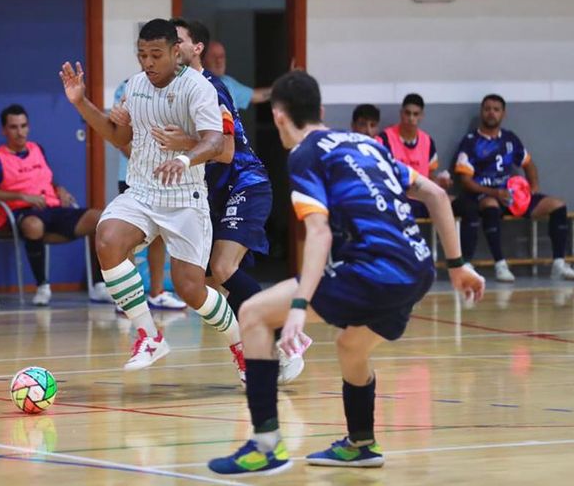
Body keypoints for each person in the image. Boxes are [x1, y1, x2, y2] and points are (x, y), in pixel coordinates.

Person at [208, 71, 485, 474]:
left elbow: (318, 232)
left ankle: (265, 447)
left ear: (279, 116)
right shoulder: (365, 143)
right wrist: (457, 266)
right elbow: (436, 194)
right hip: (417, 270)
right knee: (351, 345)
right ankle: (361, 443)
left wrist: (298, 307)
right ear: (320, 110)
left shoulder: (304, 155)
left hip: (373, 270)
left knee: (252, 313)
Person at [60, 19, 244, 380]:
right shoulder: (135, 86)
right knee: (107, 239)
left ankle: (242, 349)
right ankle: (148, 336)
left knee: (191, 289)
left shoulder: (199, 88)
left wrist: (184, 159)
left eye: (155, 54)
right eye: (142, 54)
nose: (148, 62)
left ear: (176, 52)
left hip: (185, 196)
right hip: (142, 191)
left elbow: (216, 142)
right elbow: (118, 136)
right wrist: (81, 102)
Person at [158, 17, 307, 384]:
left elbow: (224, 152)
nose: (172, 47)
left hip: (245, 183)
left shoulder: (211, 88)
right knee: (209, 283)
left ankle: (285, 341)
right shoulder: (173, 90)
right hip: (213, 196)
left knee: (223, 268)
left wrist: (183, 144)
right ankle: (261, 347)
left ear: (196, 48)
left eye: (179, 40)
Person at [0, 104, 113, 306]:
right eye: (14, 127)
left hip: (51, 207)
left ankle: (100, 285)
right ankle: (42, 286)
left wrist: (59, 189)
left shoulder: (37, 149)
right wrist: (22, 196)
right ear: (4, 130)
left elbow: (44, 179)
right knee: (34, 225)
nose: (20, 132)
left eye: (23, 126)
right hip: (21, 212)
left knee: (101, 218)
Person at [454, 94, 574, 282]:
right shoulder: (471, 142)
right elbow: (465, 180)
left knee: (558, 205)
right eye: (487, 109)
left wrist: (533, 187)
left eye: (496, 109)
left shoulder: (510, 139)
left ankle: (559, 264)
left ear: (503, 114)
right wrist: (495, 192)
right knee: (490, 205)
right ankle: (500, 265)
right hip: (486, 195)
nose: (491, 113)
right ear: (482, 112)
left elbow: (529, 164)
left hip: (512, 196)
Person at [112, 80, 186, 311]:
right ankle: (128, 297)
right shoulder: (128, 87)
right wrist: (142, 162)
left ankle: (157, 292)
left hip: (160, 174)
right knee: (127, 235)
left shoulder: (175, 87)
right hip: (132, 175)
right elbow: (119, 136)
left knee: (159, 233)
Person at [377, 94, 451, 218]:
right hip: (394, 197)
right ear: (401, 113)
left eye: (416, 114)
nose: (411, 118)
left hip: (420, 198)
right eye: (408, 113)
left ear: (422, 116)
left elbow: (429, 176)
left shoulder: (428, 141)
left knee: (446, 204)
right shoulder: (384, 139)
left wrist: (440, 182)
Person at [203, 40, 271, 112]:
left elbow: (258, 96)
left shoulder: (227, 82)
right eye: (213, 56)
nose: (219, 61)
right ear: (202, 60)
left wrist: (278, 88)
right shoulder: (198, 85)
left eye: (222, 56)